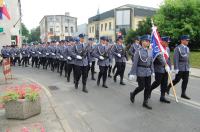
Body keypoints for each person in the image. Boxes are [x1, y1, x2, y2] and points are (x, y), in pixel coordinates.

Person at [129, 35, 154, 110]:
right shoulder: (138, 51)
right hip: (140, 71)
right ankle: (133, 94)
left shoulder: (150, 50)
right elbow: (135, 63)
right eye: (147, 41)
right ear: (142, 42)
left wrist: (152, 71)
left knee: (148, 87)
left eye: (149, 41)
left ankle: (145, 102)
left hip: (148, 71)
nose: (148, 42)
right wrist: (132, 73)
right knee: (141, 87)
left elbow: (151, 62)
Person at [167, 35, 191, 100]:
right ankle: (168, 87)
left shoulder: (187, 48)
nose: (188, 41)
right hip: (180, 67)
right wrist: (176, 68)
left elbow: (188, 58)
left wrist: (189, 66)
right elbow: (175, 59)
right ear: (182, 40)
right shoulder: (177, 48)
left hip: (186, 67)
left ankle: (183, 93)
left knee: (186, 80)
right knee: (177, 80)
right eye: (186, 40)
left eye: (188, 40)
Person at [149, 36, 171, 103]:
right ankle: (149, 90)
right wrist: (165, 65)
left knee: (164, 83)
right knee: (157, 82)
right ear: (163, 42)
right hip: (158, 68)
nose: (168, 44)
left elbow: (168, 58)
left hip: (166, 69)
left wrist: (170, 67)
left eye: (168, 42)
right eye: (167, 42)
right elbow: (160, 57)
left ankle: (162, 97)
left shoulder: (167, 48)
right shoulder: (157, 48)